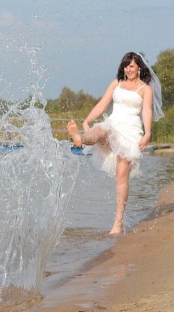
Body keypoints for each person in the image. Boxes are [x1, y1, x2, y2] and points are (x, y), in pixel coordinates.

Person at [67, 52, 164, 235]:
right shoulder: (116, 83)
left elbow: (147, 112)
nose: (128, 69)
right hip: (113, 124)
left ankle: (117, 223)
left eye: (132, 66)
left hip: (131, 133)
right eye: (126, 66)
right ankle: (80, 138)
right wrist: (87, 121)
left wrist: (148, 133)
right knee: (100, 131)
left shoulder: (145, 89)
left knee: (121, 177)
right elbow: (102, 104)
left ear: (139, 68)